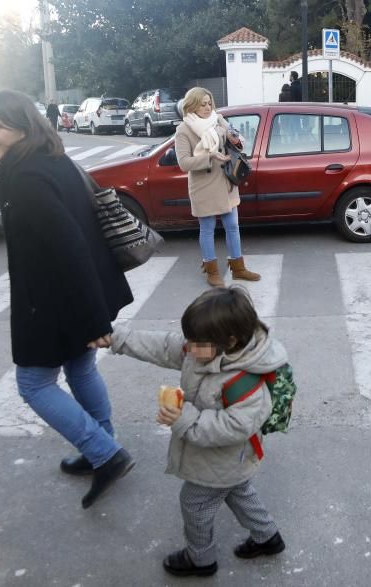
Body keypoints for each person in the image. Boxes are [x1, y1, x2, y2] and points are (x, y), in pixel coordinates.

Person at [0, 89, 135, 510]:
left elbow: (70, 247)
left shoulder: (24, 177)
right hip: (74, 294)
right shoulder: (52, 158)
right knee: (80, 367)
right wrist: (94, 312)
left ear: (23, 125)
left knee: (33, 384)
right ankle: (102, 444)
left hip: (52, 299)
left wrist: (94, 318)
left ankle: (104, 453)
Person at [108, 286, 287, 578]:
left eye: (195, 343)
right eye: (189, 340)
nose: (188, 348)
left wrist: (183, 418)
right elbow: (165, 346)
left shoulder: (245, 382)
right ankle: (268, 537)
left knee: (194, 504)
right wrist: (118, 339)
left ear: (230, 339)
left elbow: (233, 428)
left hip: (223, 459)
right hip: (232, 464)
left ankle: (200, 559)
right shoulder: (205, 348)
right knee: (239, 492)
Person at [175, 87, 261, 287]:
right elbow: (184, 163)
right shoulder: (184, 130)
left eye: (209, 103)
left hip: (226, 182)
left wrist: (235, 138)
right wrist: (210, 156)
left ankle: (238, 268)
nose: (207, 107)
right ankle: (211, 271)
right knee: (207, 228)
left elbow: (236, 143)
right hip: (203, 186)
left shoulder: (219, 119)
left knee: (232, 226)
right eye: (202, 104)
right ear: (192, 105)